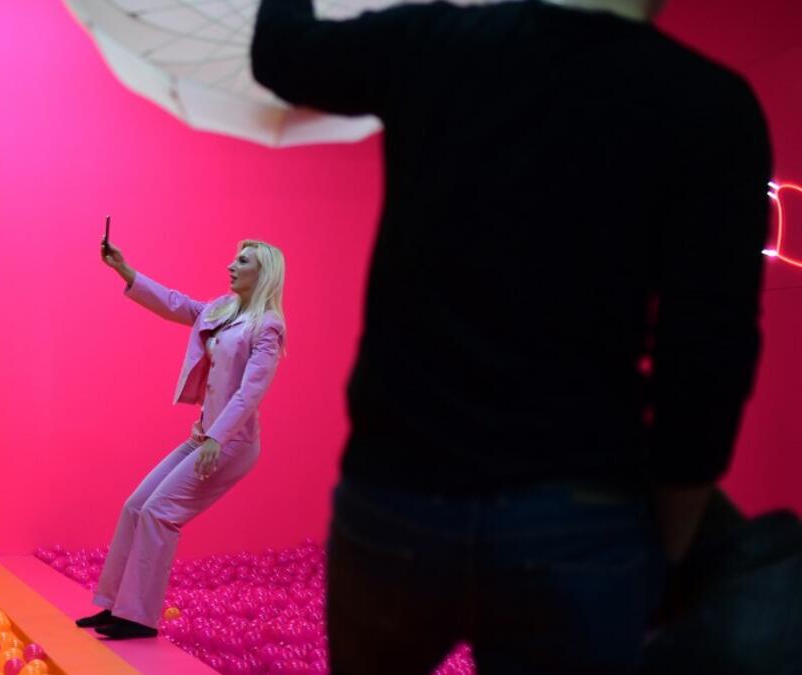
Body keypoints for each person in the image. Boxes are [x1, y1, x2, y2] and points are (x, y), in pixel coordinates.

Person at [251, 0, 771, 673]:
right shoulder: (711, 102)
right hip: (581, 511)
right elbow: (709, 349)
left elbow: (284, 54)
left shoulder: (436, 41)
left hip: (399, 492)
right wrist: (669, 537)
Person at [75, 238, 288, 639]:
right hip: (204, 436)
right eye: (234, 257)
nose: (231, 265)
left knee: (160, 513)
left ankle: (137, 617)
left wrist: (216, 439)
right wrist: (125, 270)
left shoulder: (267, 326)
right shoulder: (222, 311)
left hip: (231, 444)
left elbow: (250, 392)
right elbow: (175, 304)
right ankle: (114, 606)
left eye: (242, 261)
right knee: (137, 505)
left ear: (263, 274)